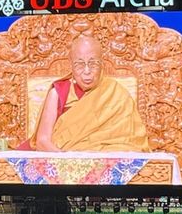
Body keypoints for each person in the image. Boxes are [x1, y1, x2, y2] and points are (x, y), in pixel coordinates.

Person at [18, 35, 150, 152]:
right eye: (80, 65)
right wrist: (67, 161)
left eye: (93, 64)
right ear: (71, 65)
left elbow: (133, 142)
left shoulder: (116, 93)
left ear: (102, 64)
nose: (87, 71)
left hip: (105, 164)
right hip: (62, 160)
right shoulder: (58, 92)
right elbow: (42, 141)